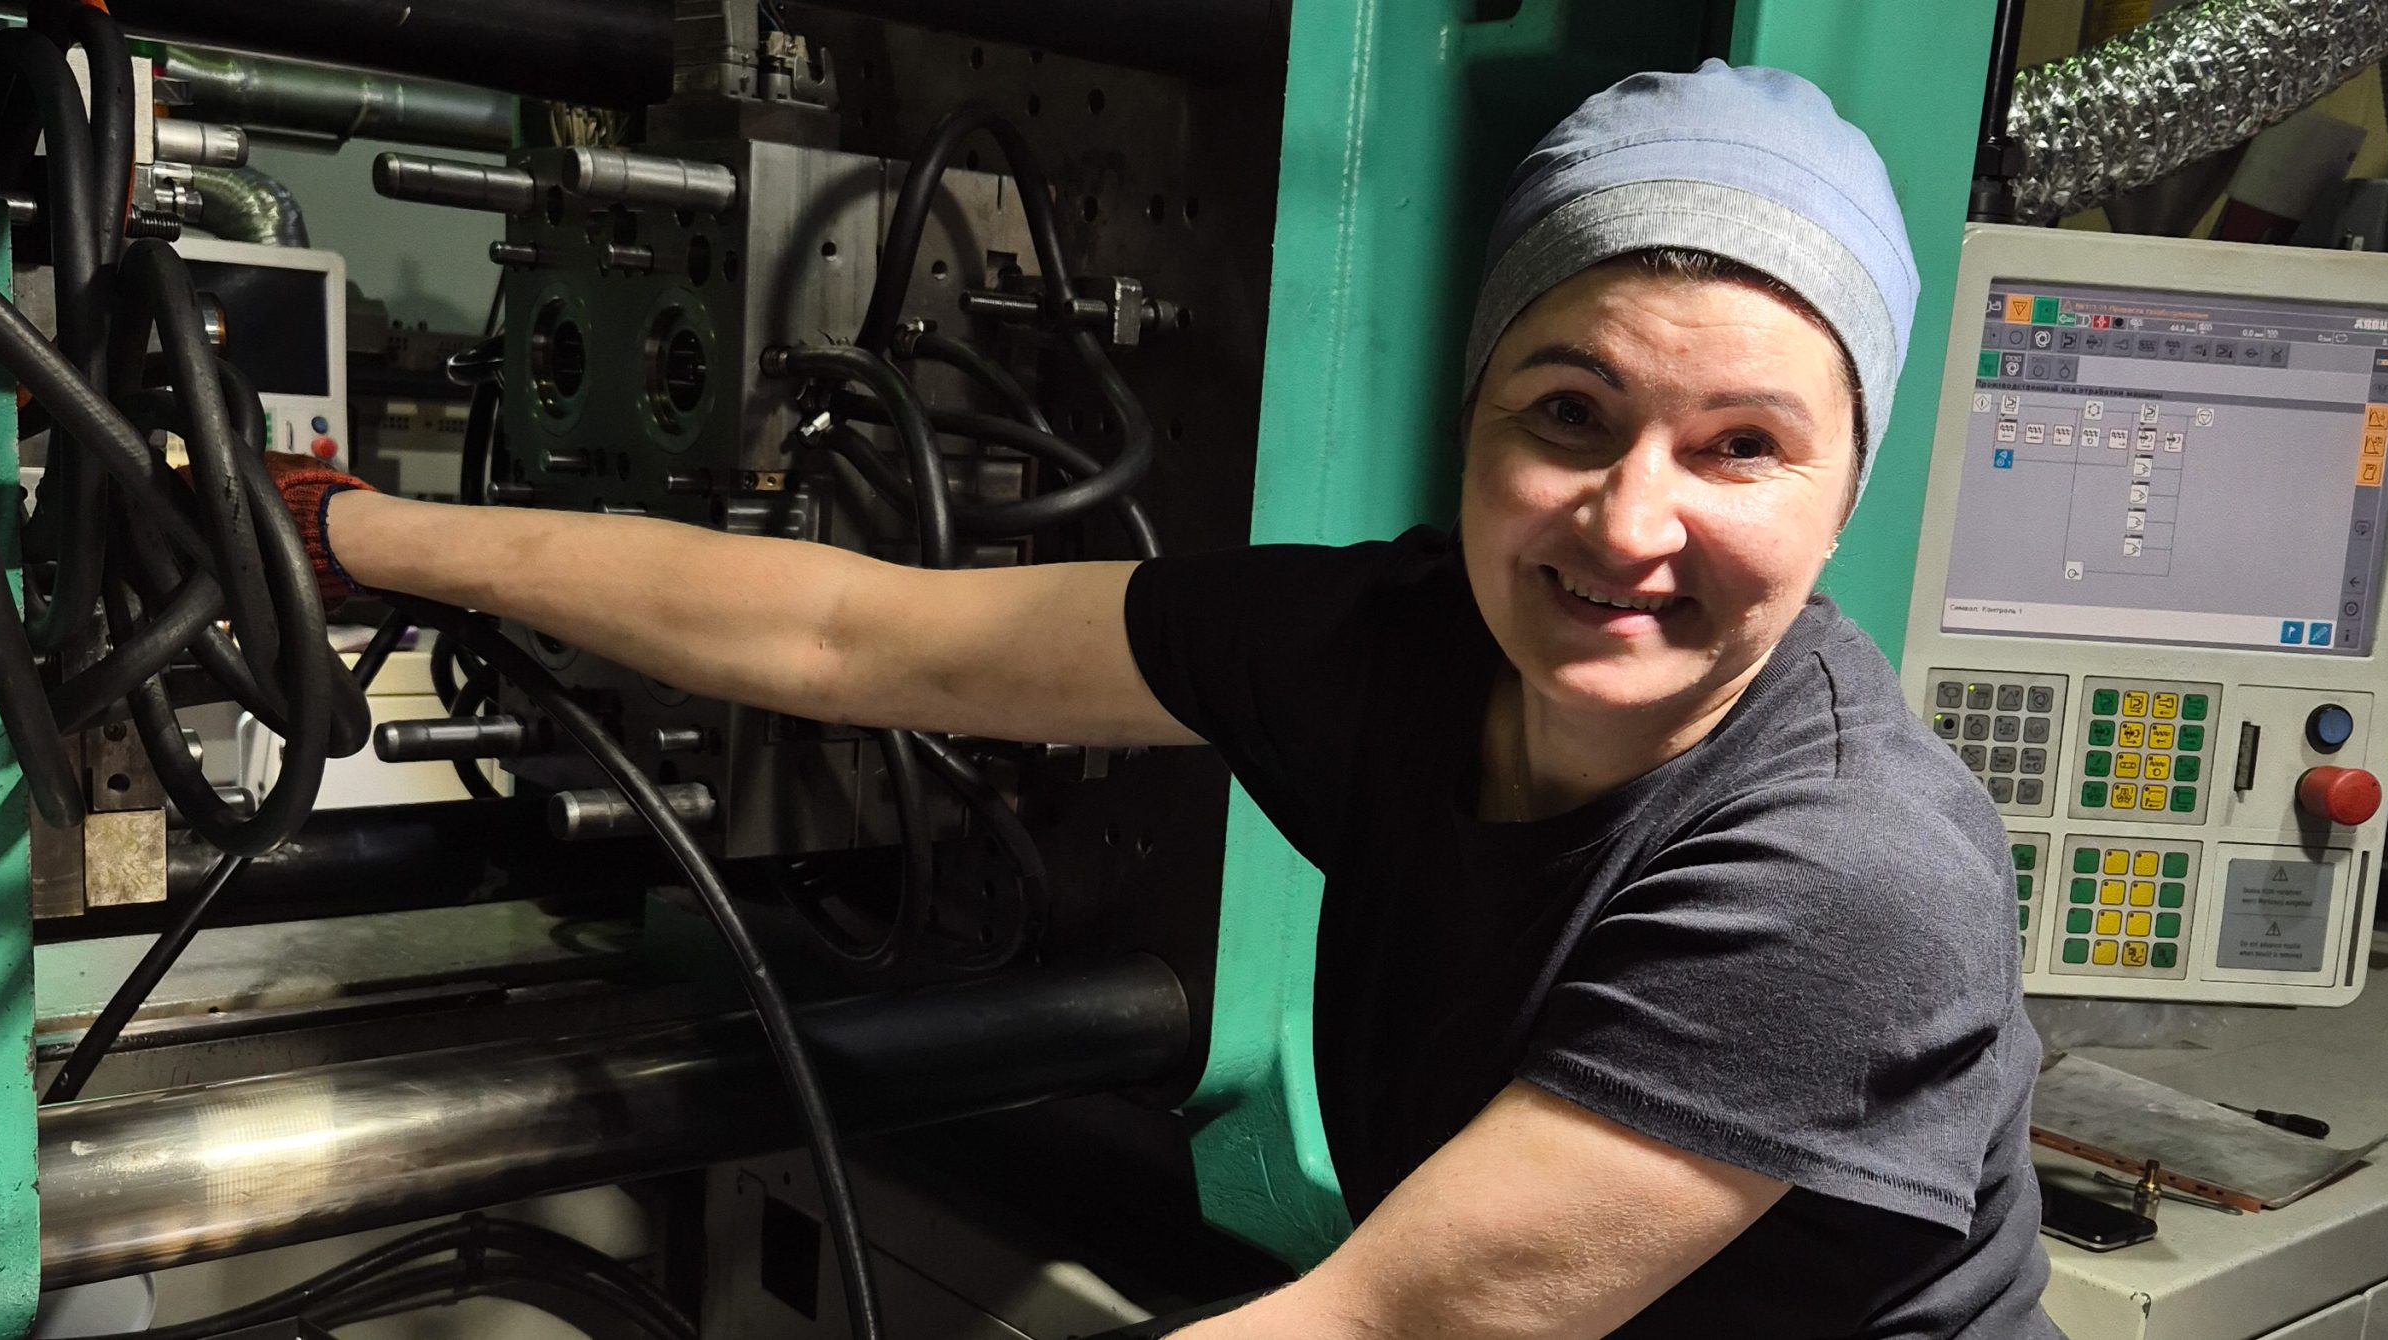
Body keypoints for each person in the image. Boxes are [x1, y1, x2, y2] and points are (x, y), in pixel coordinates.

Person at [274, 60, 2057, 1337]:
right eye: (1569, 415)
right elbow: (857, 633)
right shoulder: (1395, 648)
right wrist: (358, 533)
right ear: (1474, 421)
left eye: (1742, 447)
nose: (1629, 521)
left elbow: (1384, 1322)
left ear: (1846, 492)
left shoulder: (1847, 876)